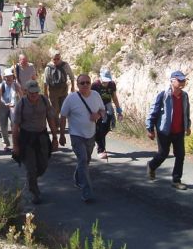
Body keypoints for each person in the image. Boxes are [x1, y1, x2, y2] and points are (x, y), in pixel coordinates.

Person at [59, 74, 106, 202]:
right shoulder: (71, 99)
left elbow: (103, 110)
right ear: (77, 85)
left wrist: (98, 115)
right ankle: (87, 192)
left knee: (85, 161)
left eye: (87, 82)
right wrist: (62, 135)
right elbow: (63, 116)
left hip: (91, 134)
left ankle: (77, 177)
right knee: (83, 159)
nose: (85, 85)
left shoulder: (96, 95)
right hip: (76, 135)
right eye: (82, 83)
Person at [12, 80, 58, 204]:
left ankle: (31, 178)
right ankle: (34, 192)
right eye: (32, 93)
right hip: (26, 139)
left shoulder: (44, 100)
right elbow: (15, 126)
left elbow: (51, 119)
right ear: (26, 92)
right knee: (31, 168)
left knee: (43, 165)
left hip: (42, 137)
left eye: (36, 92)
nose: (34, 95)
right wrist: (15, 145)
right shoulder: (21, 104)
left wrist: (55, 138)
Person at [146, 70, 192, 190]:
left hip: (179, 131)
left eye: (184, 80)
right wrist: (150, 128)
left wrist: (188, 126)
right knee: (163, 154)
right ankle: (151, 165)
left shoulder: (184, 96)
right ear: (172, 81)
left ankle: (176, 181)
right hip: (164, 131)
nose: (182, 82)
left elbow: (186, 112)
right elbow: (153, 112)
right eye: (179, 80)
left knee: (180, 155)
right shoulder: (163, 95)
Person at [91, 68, 124, 159]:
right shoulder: (95, 85)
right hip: (97, 107)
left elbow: (114, 97)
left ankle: (97, 139)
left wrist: (118, 110)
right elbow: (90, 98)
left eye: (107, 81)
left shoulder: (112, 84)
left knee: (107, 127)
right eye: (104, 81)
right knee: (100, 127)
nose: (106, 83)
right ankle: (101, 149)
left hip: (107, 106)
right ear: (100, 77)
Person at [43, 50, 75, 128]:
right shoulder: (48, 68)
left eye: (58, 59)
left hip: (63, 89)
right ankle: (57, 124)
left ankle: (62, 123)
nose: (56, 61)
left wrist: (73, 86)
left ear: (60, 58)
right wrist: (45, 92)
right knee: (55, 109)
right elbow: (45, 81)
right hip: (53, 90)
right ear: (51, 59)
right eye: (54, 59)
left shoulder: (65, 65)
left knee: (63, 108)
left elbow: (71, 76)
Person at [0, 67, 21, 151]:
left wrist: (21, 104)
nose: (9, 78)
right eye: (7, 76)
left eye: (11, 76)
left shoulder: (15, 84)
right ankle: (5, 143)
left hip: (13, 107)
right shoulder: (1, 85)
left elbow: (21, 96)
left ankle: (15, 144)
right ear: (4, 77)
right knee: (3, 126)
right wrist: (5, 104)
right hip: (2, 107)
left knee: (14, 125)